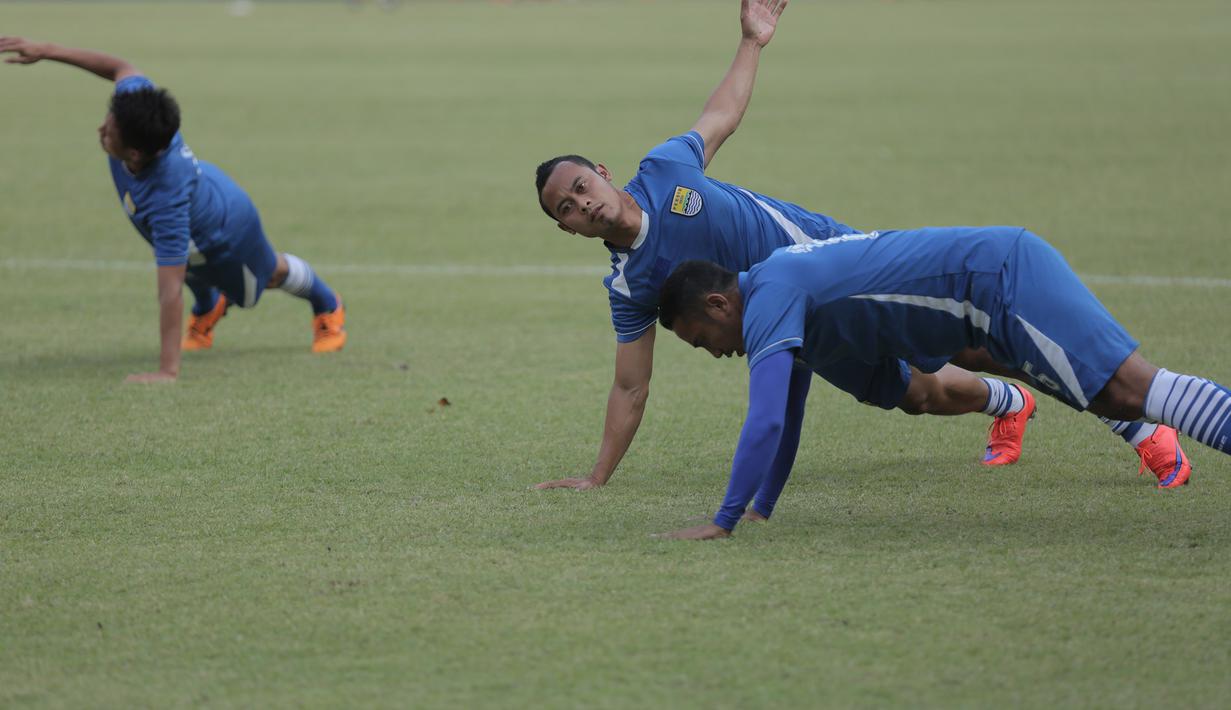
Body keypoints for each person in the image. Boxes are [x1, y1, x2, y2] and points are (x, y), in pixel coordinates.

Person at [531, 0, 1187, 491]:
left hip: (837, 268)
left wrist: (752, 42)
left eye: (581, 185)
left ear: (603, 173)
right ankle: (1007, 404)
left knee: (985, 343)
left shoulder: (667, 170)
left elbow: (720, 115)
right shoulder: (629, 286)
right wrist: (596, 478)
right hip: (784, 325)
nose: (581, 202)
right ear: (568, 229)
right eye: (567, 207)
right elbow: (629, 387)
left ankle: (1136, 424)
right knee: (917, 395)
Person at [655, 227, 1229, 539]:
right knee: (1109, 394)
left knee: (1129, 389)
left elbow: (766, 417)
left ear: (717, 303)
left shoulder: (771, 293)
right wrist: (761, 510)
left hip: (1000, 278)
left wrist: (722, 520)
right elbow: (789, 413)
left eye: (702, 339)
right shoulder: (784, 308)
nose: (715, 353)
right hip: (980, 309)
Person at [0, 37, 347, 383]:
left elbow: (168, 291)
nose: (101, 129)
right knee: (187, 263)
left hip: (227, 232)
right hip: (202, 199)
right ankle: (209, 307)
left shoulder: (165, 199)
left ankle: (327, 303)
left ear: (135, 153)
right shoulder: (139, 109)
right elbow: (122, 68)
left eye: (110, 133)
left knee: (266, 276)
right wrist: (47, 51)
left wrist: (167, 370)